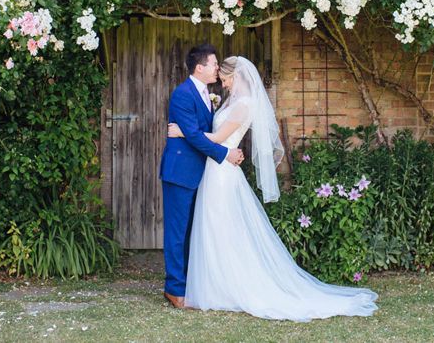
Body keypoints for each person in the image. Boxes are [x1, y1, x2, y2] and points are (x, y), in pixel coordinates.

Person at [167, 55, 378, 321]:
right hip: (215, 170)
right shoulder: (229, 101)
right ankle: (213, 284)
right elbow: (218, 135)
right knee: (214, 227)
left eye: (222, 73)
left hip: (222, 174)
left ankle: (227, 286)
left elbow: (219, 137)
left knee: (221, 226)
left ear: (234, 75)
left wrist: (183, 132)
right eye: (216, 70)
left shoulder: (244, 105)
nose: (219, 77)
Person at [159, 44, 244, 309]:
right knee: (177, 232)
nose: (217, 68)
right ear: (200, 67)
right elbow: (194, 135)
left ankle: (190, 284)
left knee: (191, 232)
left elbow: (197, 132)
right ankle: (174, 290)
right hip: (181, 172)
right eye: (214, 64)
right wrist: (225, 154)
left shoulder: (208, 94)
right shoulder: (183, 94)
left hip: (201, 173)